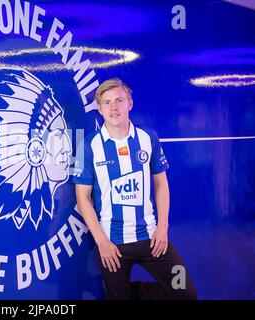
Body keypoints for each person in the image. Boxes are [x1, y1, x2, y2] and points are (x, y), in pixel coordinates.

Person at [73, 78, 197, 300]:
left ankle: (138, 292)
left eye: (119, 100)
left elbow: (161, 185)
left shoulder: (148, 138)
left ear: (129, 103)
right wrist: (102, 242)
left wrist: (162, 227)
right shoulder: (88, 146)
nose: (114, 107)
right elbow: (83, 199)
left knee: (185, 292)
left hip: (152, 239)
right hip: (113, 245)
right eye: (107, 102)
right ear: (99, 109)